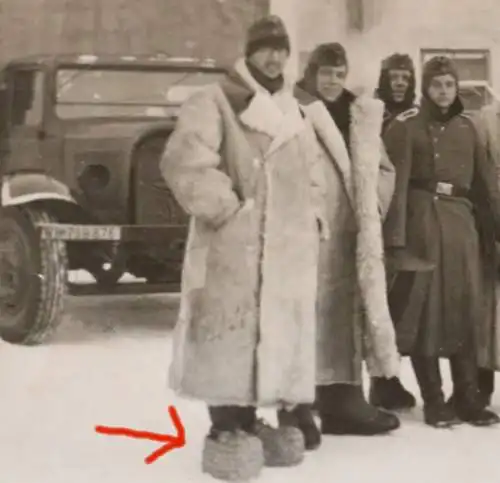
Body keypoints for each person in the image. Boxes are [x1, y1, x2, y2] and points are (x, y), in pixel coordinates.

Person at [161, 15, 329, 480]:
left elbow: (312, 170)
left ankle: (254, 417)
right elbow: (186, 161)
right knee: (229, 337)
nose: (275, 58)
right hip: (233, 247)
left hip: (285, 251)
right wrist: (228, 210)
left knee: (270, 337)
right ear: (250, 51)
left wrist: (312, 218)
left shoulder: (293, 108)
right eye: (266, 49)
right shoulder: (214, 101)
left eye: (282, 49)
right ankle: (226, 430)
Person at [383, 55, 500, 428]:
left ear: (457, 87)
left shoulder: (468, 128)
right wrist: (397, 238)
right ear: (426, 88)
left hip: (463, 228)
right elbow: (394, 183)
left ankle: (467, 397)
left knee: (464, 313)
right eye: (437, 85)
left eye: (449, 85)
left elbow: (485, 188)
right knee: (425, 315)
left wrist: (492, 234)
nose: (444, 92)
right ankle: (433, 399)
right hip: (423, 224)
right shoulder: (406, 126)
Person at [295, 42, 401, 436]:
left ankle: (343, 400)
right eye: (326, 73)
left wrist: (371, 208)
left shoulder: (361, 115)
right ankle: (301, 406)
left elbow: (384, 168)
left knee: (345, 318)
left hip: (351, 234)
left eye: (340, 74)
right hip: (309, 235)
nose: (334, 81)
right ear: (311, 73)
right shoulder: (295, 112)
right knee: (306, 320)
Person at [369, 53, 419, 411]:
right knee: (376, 303)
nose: (399, 83)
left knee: (399, 303)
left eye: (405, 77)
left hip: (408, 216)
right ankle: (372, 382)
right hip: (376, 212)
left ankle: (388, 379)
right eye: (394, 77)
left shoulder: (417, 117)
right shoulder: (370, 113)